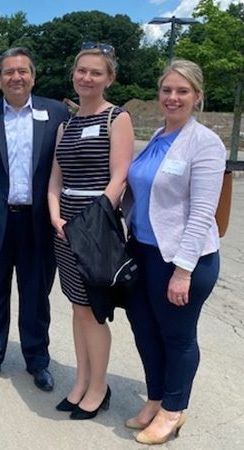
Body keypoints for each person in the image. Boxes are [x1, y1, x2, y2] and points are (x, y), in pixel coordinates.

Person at [123, 59, 226, 444]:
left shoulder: (205, 143)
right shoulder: (158, 138)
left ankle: (173, 410)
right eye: (167, 90)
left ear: (197, 97)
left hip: (183, 259)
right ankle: (155, 398)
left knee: (178, 336)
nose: (173, 97)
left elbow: (202, 213)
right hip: (144, 252)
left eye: (182, 91)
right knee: (146, 329)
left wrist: (183, 271)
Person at [0, 47, 69, 391]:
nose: (16, 77)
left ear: (33, 76)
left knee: (36, 296)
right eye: (9, 72)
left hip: (38, 223)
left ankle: (37, 360)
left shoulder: (57, 114)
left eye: (23, 71)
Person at [48, 44, 134, 419]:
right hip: (64, 226)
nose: (87, 78)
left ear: (109, 78)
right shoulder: (66, 125)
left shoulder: (117, 118)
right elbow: (55, 179)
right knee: (77, 306)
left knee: (93, 311)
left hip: (94, 226)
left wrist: (91, 222)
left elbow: (119, 178)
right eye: (82, 71)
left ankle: (99, 387)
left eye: (96, 73)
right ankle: (82, 380)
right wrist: (56, 218)